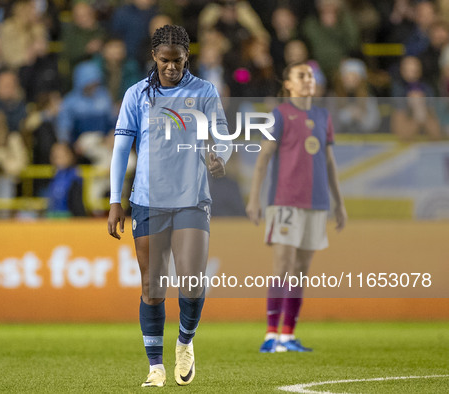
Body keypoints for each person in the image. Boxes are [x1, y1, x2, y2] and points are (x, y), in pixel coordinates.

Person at [107, 25, 231, 387]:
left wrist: (220, 157)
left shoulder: (205, 92)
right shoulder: (137, 95)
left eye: (177, 61)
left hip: (192, 198)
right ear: (154, 58)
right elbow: (120, 149)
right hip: (147, 200)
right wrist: (115, 199)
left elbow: (223, 136)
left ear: (187, 58)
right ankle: (155, 367)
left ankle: (186, 343)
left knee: (192, 282)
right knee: (153, 285)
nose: (171, 68)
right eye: (165, 61)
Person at [246, 62, 347, 353]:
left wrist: (339, 203)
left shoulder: (323, 116)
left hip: (316, 203)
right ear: (288, 84)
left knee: (301, 270)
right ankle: (270, 335)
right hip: (285, 202)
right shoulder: (279, 115)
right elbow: (264, 158)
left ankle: (288, 336)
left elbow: (328, 162)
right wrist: (255, 198)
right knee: (283, 266)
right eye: (301, 76)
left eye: (310, 76)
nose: (308, 80)